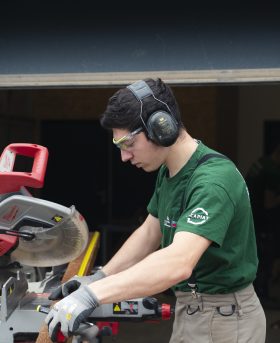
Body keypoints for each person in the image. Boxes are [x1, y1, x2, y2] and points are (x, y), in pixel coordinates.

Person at [45, 78, 266, 343]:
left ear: (162, 127)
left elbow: (178, 263)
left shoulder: (214, 181)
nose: (124, 157)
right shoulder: (170, 172)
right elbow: (151, 231)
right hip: (192, 309)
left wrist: (92, 295)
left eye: (127, 144)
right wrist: (99, 277)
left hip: (226, 318)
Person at [245, 141, 280, 300]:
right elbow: (269, 201)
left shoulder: (260, 162)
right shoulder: (273, 170)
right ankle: (262, 294)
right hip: (262, 220)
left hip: (248, 217)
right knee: (265, 257)